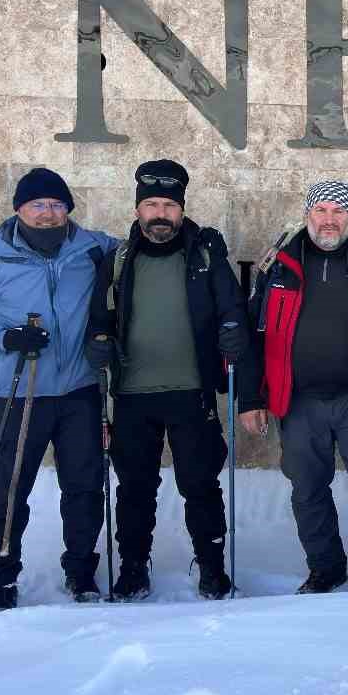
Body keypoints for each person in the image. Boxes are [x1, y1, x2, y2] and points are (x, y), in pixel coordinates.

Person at [0, 167, 119, 612]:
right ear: (19, 209)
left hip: (79, 390)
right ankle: (1, 578)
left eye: (57, 205)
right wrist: (6, 337)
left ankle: (81, 571)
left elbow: (146, 251)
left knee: (84, 487)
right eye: (38, 205)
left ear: (68, 210)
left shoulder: (94, 249)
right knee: (7, 490)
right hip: (16, 392)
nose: (47, 213)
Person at [236, 180, 348, 593]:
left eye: (339, 212)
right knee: (307, 488)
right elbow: (253, 334)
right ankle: (326, 567)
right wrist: (250, 398)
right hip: (298, 400)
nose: (329, 220)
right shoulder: (279, 266)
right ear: (308, 215)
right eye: (321, 210)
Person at [86, 160, 246, 601]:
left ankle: (212, 564)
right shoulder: (117, 259)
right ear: (138, 209)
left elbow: (231, 306)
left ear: (182, 208)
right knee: (135, 487)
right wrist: (99, 340)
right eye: (152, 204)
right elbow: (99, 317)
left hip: (191, 391)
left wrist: (232, 330)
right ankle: (134, 565)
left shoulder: (205, 255)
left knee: (200, 484)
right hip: (134, 395)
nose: (161, 213)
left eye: (169, 205)